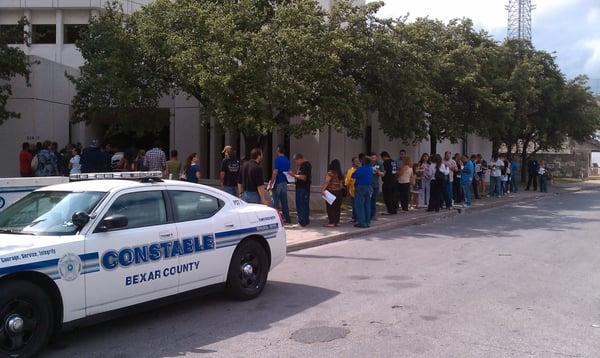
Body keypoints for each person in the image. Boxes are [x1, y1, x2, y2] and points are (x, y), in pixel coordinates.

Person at [269, 145, 291, 224]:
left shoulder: (278, 160)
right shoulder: (287, 160)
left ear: (278, 150)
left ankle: (277, 219)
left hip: (278, 182)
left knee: (276, 202)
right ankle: (287, 218)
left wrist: (271, 182)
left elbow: (275, 172)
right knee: (284, 201)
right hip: (284, 182)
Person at [289, 153, 312, 226]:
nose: (296, 163)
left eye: (296, 161)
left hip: (303, 188)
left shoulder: (305, 165)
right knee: (303, 204)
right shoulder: (303, 165)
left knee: (301, 205)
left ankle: (302, 221)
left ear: (299, 159)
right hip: (301, 187)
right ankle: (305, 221)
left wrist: (294, 175)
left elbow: (303, 177)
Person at [352, 156, 373, 228]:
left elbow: (353, 175)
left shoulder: (361, 168)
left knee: (359, 205)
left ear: (363, 162)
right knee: (367, 204)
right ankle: (367, 221)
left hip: (361, 187)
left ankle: (361, 222)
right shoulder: (370, 168)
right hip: (369, 187)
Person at [321, 159, 344, 227]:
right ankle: (337, 221)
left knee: (330, 207)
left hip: (331, 191)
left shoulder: (330, 173)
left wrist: (323, 190)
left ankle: (331, 222)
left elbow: (327, 182)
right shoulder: (340, 174)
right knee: (337, 208)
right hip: (339, 192)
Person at [344, 157, 360, 222]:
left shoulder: (361, 169)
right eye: (356, 161)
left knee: (359, 205)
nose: (358, 162)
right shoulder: (350, 171)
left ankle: (358, 217)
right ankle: (355, 217)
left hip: (360, 190)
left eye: (359, 161)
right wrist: (347, 192)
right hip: (353, 191)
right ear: (353, 163)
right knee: (354, 205)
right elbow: (347, 182)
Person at [370, 152, 384, 220]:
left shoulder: (379, 164)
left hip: (375, 185)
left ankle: (373, 215)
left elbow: (383, 174)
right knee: (368, 200)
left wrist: (378, 172)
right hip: (368, 185)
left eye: (374, 158)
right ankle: (368, 215)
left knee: (373, 200)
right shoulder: (367, 164)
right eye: (372, 158)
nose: (373, 159)